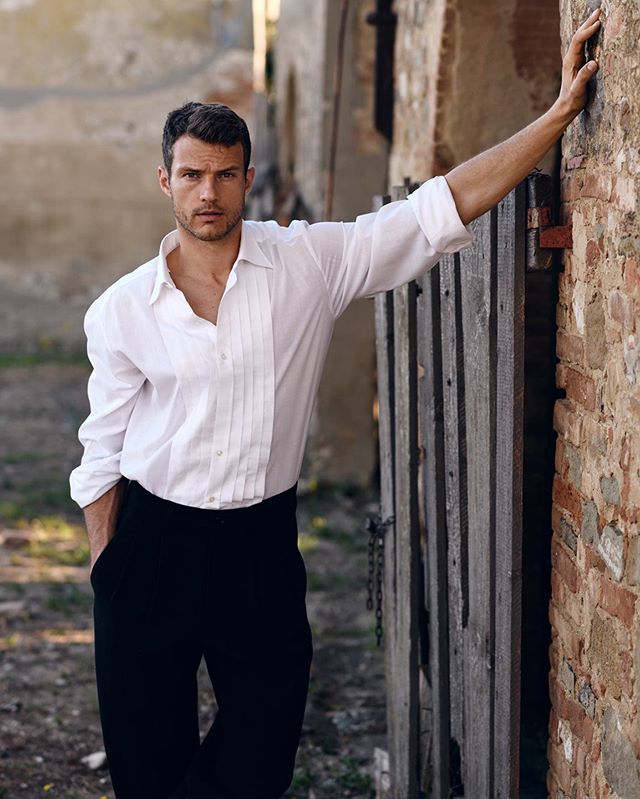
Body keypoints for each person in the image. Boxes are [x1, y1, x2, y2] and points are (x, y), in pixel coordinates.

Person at [69, 9, 601, 799]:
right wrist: (109, 563)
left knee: (260, 756)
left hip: (257, 548)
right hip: (152, 542)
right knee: (147, 771)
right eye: (190, 174)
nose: (206, 192)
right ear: (165, 181)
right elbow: (101, 449)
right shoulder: (121, 310)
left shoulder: (307, 263)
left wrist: (556, 116)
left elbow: (433, 214)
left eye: (223, 174)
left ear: (249, 177)